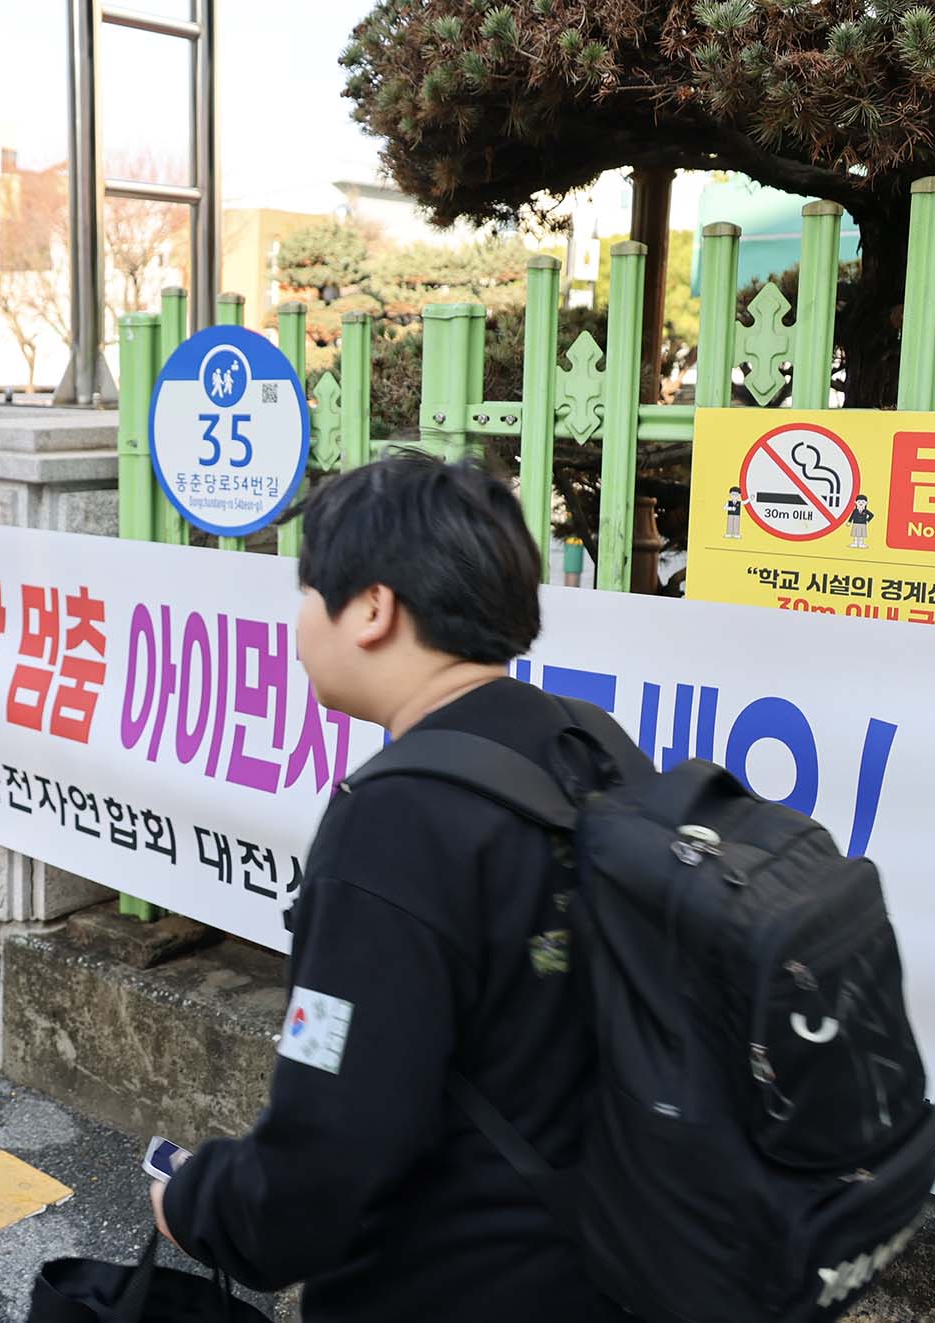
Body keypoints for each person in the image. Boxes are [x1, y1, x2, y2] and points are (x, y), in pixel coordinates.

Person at [153, 456, 623, 1323]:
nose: (298, 623)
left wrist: (192, 1202)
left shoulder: (398, 822)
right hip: (616, 1271)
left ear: (372, 607)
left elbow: (321, 1167)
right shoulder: (587, 744)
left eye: (307, 592)